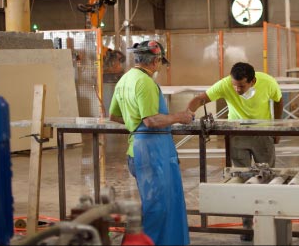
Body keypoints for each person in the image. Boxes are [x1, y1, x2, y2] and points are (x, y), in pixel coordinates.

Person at [184, 61, 282, 241]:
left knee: (267, 176)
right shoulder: (225, 84)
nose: (236, 89)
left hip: (263, 133)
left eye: (241, 86)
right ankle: (247, 226)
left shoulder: (268, 82)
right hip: (236, 134)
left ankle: (268, 221)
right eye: (234, 85)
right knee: (242, 179)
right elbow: (201, 98)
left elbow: (278, 99)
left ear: (252, 81)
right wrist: (188, 113)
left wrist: (277, 127)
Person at [108, 40, 193, 245]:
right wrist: (179, 117)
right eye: (160, 63)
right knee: (158, 207)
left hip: (141, 148)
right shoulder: (144, 82)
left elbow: (113, 115)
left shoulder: (124, 80)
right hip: (152, 151)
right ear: (155, 61)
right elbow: (151, 120)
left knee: (161, 203)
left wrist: (133, 123)